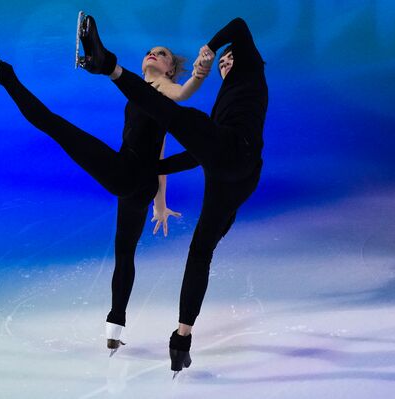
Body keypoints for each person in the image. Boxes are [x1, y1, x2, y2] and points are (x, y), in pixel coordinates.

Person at [0, 27, 212, 355]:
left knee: (55, 124)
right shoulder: (143, 92)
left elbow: (181, 95)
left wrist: (198, 76)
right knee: (125, 253)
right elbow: (161, 153)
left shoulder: (164, 88)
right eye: (151, 50)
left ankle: (3, 74)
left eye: (163, 53)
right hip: (139, 181)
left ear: (169, 69)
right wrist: (160, 203)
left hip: (127, 173)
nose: (154, 53)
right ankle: (115, 327)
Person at [78, 16, 268, 373]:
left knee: (183, 119)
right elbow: (194, 153)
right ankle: (182, 340)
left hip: (239, 153)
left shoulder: (253, 71)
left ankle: (109, 66)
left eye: (231, 60)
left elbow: (241, 26)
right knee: (200, 249)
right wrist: (154, 174)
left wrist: (211, 50)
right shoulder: (222, 101)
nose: (227, 65)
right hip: (225, 173)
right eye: (223, 63)